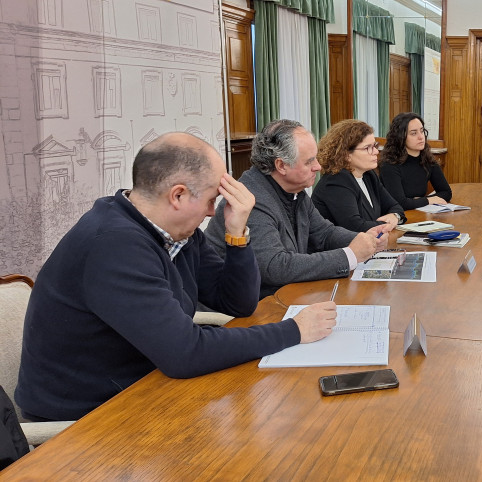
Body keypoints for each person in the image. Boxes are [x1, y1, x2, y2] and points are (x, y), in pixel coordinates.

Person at [15, 133, 337, 421]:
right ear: (178, 195)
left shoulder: (177, 232)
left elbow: (238, 303)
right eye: (212, 199)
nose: (214, 212)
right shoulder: (114, 244)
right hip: (90, 416)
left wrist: (237, 233)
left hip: (144, 384)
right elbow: (186, 354)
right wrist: (294, 331)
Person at [205, 120, 386, 298]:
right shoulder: (252, 200)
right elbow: (275, 267)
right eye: (309, 162)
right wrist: (350, 255)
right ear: (281, 165)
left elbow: (324, 233)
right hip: (248, 308)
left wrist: (365, 239)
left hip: (282, 295)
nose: (318, 166)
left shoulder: (295, 190)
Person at [311, 119, 406, 232]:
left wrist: (395, 216)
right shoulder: (336, 181)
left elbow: (395, 206)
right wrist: (388, 223)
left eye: (375, 146)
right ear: (346, 155)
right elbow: (355, 226)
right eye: (367, 148)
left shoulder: (369, 175)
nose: (376, 152)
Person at [379, 112, 452, 210]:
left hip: (419, 215)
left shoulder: (427, 159)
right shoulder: (389, 165)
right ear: (401, 137)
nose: (421, 137)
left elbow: (446, 192)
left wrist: (420, 200)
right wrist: (428, 200)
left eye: (422, 131)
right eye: (413, 133)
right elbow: (399, 203)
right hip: (397, 219)